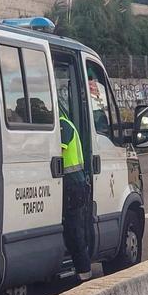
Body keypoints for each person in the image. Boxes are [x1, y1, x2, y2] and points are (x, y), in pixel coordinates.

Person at [60, 104, 92, 281]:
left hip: (73, 185)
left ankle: (84, 276)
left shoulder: (63, 125)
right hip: (73, 184)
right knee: (73, 229)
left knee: (74, 231)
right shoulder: (67, 124)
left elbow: (57, 150)